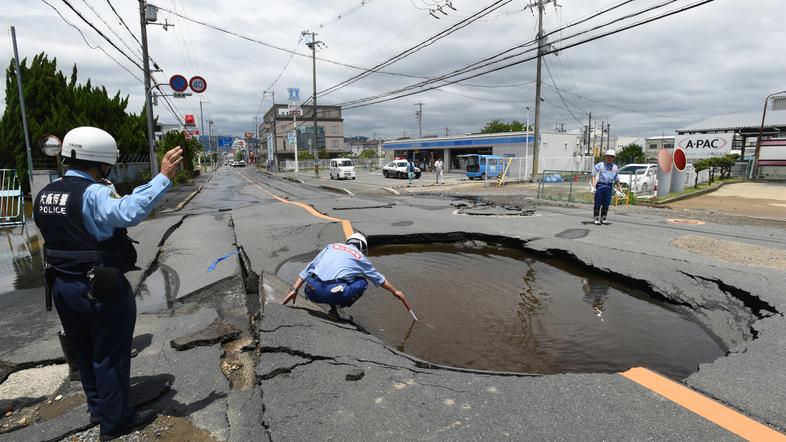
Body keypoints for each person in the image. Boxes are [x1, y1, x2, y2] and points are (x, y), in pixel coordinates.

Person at [34, 126, 183, 440]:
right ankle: (116, 422)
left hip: (62, 285)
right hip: (98, 286)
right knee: (110, 353)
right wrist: (163, 176)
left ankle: (99, 408)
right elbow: (128, 211)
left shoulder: (47, 193)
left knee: (85, 352)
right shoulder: (94, 193)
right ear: (101, 160)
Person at [282, 233, 410, 319]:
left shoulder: (331, 246)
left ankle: (334, 307)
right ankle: (337, 308)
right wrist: (395, 291)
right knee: (362, 281)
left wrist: (294, 290)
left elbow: (309, 268)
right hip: (330, 293)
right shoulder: (360, 257)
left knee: (340, 277)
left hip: (310, 290)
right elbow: (379, 279)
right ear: (363, 247)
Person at [590, 149, 623, 225]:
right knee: (598, 203)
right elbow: (593, 175)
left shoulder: (615, 167)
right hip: (600, 185)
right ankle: (596, 218)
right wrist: (593, 185)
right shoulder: (600, 165)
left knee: (606, 203)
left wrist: (619, 188)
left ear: (614, 158)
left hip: (609, 186)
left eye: (611, 157)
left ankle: (603, 218)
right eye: (608, 156)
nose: (610, 158)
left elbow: (617, 178)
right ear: (606, 157)